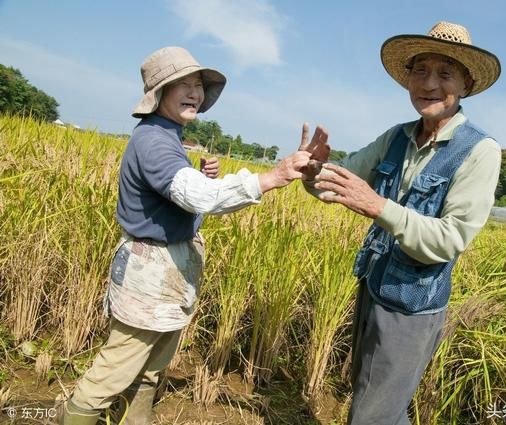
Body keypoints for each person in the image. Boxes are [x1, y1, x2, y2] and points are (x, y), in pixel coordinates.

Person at [61, 46, 318, 424]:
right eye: (181, 83)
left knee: (152, 363)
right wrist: (272, 177)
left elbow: (186, 194)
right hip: (148, 272)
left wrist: (203, 177)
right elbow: (199, 197)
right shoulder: (153, 141)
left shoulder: (169, 138)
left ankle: (138, 419)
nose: (194, 91)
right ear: (159, 92)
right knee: (114, 370)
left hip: (167, 270)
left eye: (197, 84)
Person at [301, 21, 502, 424]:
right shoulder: (397, 136)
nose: (429, 83)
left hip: (412, 307)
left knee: (372, 416)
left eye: (445, 73)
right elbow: (338, 182)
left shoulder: (480, 151)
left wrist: (379, 207)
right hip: (374, 285)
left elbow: (450, 239)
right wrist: (312, 169)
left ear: (466, 83)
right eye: (420, 70)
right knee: (373, 400)